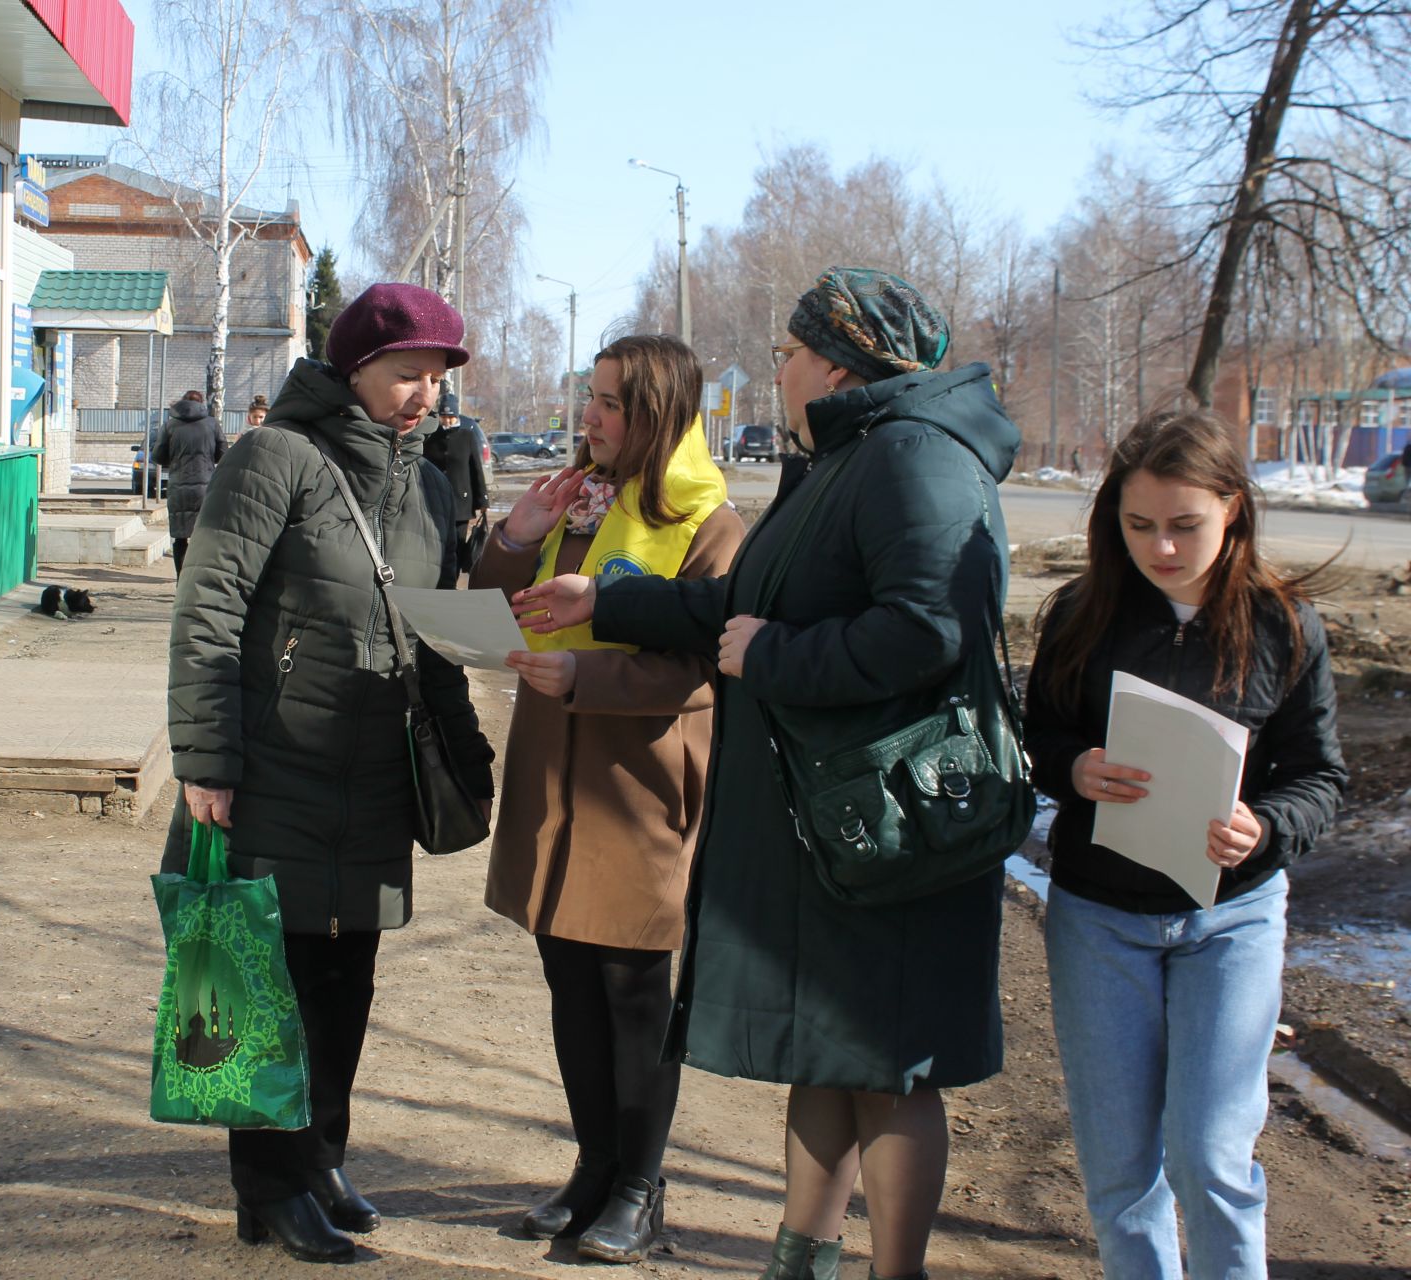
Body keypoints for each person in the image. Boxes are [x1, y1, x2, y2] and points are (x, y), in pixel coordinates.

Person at [514, 268, 1018, 1280]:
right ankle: (804, 1256)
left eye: (788, 352)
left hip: (895, 827)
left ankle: (893, 1267)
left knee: (890, 1064)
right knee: (827, 1051)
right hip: (839, 819)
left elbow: (925, 629)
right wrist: (606, 601)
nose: (778, 369)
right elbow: (737, 604)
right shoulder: (854, 457)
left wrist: (773, 658)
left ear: (838, 361)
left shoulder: (916, 459)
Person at [164, 282, 495, 1265]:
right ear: (353, 368)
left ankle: (322, 1156)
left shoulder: (430, 486)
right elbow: (210, 609)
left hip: (372, 774)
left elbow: (434, 632)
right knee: (267, 977)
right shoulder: (278, 460)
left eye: (437, 377)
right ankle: (269, 1185)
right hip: (275, 770)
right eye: (407, 372)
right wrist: (207, 758)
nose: (424, 394)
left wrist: (465, 761)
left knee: (348, 974)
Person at [1024, 408, 1345, 1279]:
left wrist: (1267, 825)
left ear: (1233, 509)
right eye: (1139, 527)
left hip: (1231, 919)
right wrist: (1076, 768)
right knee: (1122, 1171)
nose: (1161, 548)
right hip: (1098, 920)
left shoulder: (1285, 626)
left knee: (1209, 1158)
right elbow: (1038, 737)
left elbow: (1321, 777)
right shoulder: (1083, 615)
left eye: (1184, 526)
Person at [474, 334, 744, 1263]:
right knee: (568, 977)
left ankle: (640, 1185)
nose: (588, 418)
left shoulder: (710, 523)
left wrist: (585, 684)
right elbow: (493, 598)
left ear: (660, 415)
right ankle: (593, 1168)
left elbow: (702, 666)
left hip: (641, 779)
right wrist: (512, 534)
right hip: (554, 766)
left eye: (611, 404)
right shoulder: (577, 500)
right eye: (588, 398)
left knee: (632, 986)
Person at [151, 390, 224, 572]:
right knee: (205, 534)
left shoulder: (169, 426)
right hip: (206, 486)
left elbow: (158, 456)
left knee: (180, 537)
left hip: (178, 486)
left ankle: (180, 581)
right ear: (202, 404)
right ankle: (200, 577)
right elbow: (222, 454)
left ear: (182, 404)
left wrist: (176, 461)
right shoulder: (212, 424)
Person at [422, 389, 490, 573]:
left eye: (451, 416)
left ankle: (453, 577)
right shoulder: (431, 436)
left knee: (458, 543)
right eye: (444, 416)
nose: (447, 420)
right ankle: (440, 576)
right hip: (434, 499)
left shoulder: (466, 436)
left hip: (461, 501)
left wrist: (483, 500)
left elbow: (476, 469)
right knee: (438, 542)